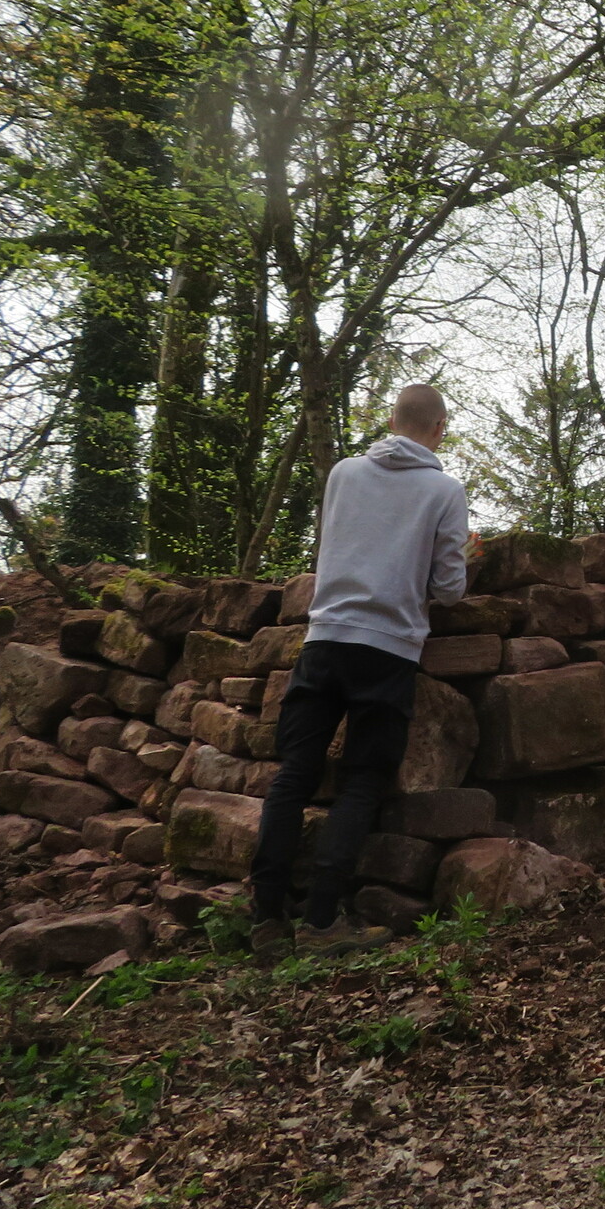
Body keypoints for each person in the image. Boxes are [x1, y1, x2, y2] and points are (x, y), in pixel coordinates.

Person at [249, 384, 470, 961]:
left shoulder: (344, 473)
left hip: (324, 639)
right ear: (439, 428)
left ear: (391, 421)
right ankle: (322, 921)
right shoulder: (444, 491)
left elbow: (335, 547)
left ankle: (266, 916)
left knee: (294, 774)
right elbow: (449, 589)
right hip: (387, 650)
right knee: (363, 781)